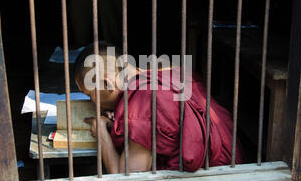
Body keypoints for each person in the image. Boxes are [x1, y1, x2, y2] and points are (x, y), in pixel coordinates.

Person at [74, 42, 244, 174]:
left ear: (106, 83)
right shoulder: (168, 69)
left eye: (90, 95)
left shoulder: (143, 102)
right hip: (235, 158)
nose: (92, 103)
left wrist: (102, 132)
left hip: (215, 177)